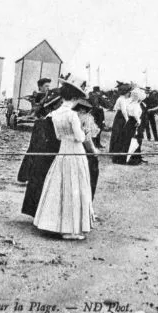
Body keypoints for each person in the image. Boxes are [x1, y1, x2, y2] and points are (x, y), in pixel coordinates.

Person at [33, 76, 94, 240]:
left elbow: (59, 136)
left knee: (59, 184)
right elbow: (80, 138)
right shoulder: (72, 115)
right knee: (74, 185)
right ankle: (71, 229)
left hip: (63, 151)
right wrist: (84, 131)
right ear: (74, 98)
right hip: (75, 151)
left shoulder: (55, 113)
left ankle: (52, 223)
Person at [73, 98, 100, 200]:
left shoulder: (73, 117)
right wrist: (94, 151)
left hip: (74, 149)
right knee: (90, 178)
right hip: (85, 150)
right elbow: (87, 139)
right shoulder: (88, 119)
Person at [118, 87, 147, 165]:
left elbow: (128, 112)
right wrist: (138, 120)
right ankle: (132, 158)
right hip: (134, 121)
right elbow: (135, 114)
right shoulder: (136, 105)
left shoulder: (130, 103)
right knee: (134, 140)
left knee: (127, 139)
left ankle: (125, 157)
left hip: (130, 122)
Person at [108, 82, 132, 163]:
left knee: (117, 134)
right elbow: (124, 111)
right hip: (121, 118)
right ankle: (115, 151)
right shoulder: (121, 99)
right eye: (129, 92)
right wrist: (127, 120)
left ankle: (114, 150)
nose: (129, 94)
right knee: (118, 134)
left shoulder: (122, 98)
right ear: (125, 92)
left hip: (119, 117)